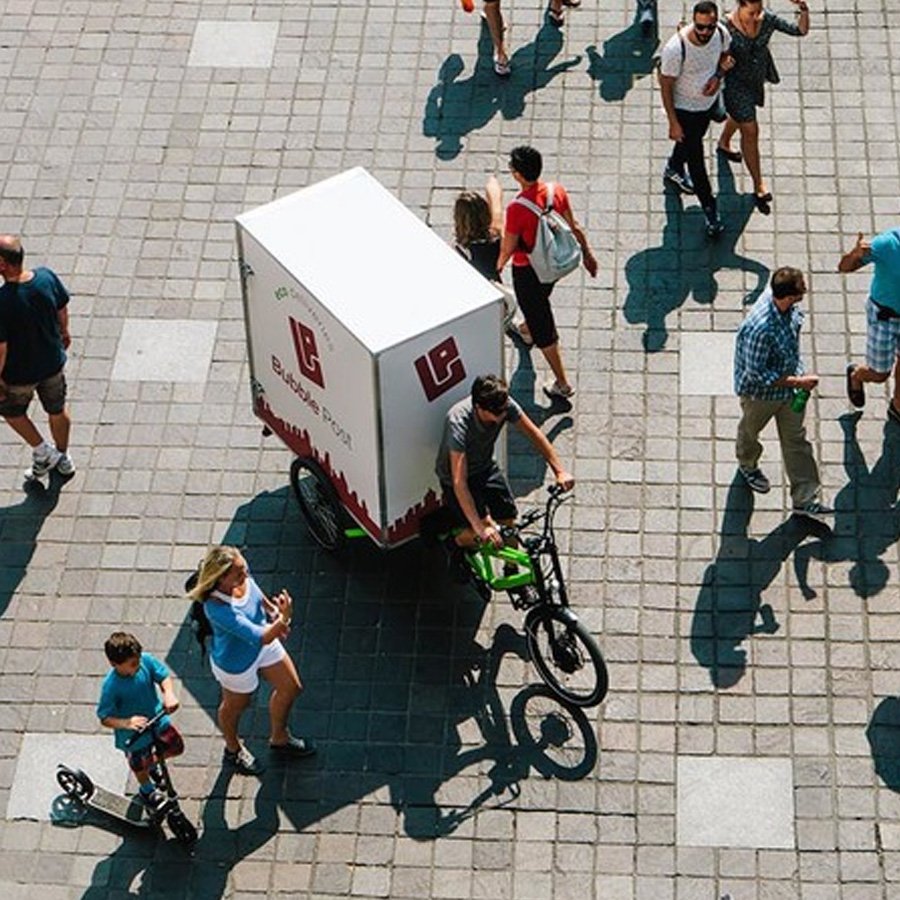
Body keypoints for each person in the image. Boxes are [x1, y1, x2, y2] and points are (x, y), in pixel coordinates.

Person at [188, 546, 315, 776]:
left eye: (244, 568)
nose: (245, 574)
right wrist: (284, 619)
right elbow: (261, 637)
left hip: (262, 643)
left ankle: (280, 738)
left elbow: (257, 596)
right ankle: (233, 749)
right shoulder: (216, 609)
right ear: (221, 578)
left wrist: (274, 612)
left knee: (291, 687)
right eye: (239, 573)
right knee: (235, 706)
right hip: (237, 663)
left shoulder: (240, 574)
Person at [497, 145, 597, 401]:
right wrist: (587, 254)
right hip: (553, 266)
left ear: (518, 175)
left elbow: (508, 248)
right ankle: (527, 328)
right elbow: (573, 227)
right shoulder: (556, 191)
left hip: (529, 272)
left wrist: (496, 267)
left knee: (544, 326)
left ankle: (562, 383)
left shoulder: (517, 209)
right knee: (537, 304)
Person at [435, 374, 574, 558]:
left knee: (508, 520)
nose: (503, 416)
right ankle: (455, 543)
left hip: (485, 467)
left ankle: (511, 570)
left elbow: (535, 435)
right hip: (458, 479)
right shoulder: (458, 422)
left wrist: (560, 471)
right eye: (497, 413)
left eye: (504, 410)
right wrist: (480, 528)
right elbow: (459, 481)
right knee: (481, 531)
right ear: (479, 407)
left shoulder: (503, 404)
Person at [733, 266, 833, 523]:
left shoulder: (781, 299)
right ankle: (748, 465)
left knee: (796, 440)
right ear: (787, 296)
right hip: (760, 396)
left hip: (790, 389)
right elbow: (758, 375)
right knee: (750, 431)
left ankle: (805, 499)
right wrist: (799, 381)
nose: (804, 293)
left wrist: (796, 382)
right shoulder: (759, 329)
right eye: (800, 292)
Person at [716, 0, 810, 214]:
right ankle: (758, 183)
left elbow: (800, 30)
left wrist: (803, 9)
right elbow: (712, 53)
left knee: (740, 117)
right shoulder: (725, 28)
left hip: (755, 80)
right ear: (740, 5)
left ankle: (723, 142)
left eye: (759, 10)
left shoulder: (767, 19)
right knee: (750, 129)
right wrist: (722, 64)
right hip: (735, 84)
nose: (756, 16)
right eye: (751, 12)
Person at [0, 235, 75, 481]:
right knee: (57, 409)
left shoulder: (2, 301)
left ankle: (43, 452)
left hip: (18, 374)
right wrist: (64, 332)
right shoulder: (46, 276)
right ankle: (62, 457)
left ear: (2, 264)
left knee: (11, 411)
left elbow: (2, 348)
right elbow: (61, 308)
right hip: (52, 362)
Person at [658, 1, 734, 237]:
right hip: (684, 110)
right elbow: (665, 85)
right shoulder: (675, 48)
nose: (704, 33)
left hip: (707, 104)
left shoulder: (721, 33)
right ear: (694, 21)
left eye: (709, 27)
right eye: (700, 27)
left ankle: (673, 167)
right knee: (697, 162)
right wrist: (673, 122)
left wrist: (719, 75)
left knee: (693, 138)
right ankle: (710, 212)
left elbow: (726, 56)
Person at [96, 632, 184, 811]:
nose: (138, 665)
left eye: (137, 660)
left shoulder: (145, 661)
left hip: (157, 721)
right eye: (132, 664)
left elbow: (163, 675)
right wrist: (126, 723)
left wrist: (169, 693)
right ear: (114, 664)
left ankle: (151, 764)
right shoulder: (111, 686)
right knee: (139, 767)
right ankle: (147, 789)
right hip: (135, 737)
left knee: (176, 747)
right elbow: (104, 717)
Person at [839, 229, 900, 424]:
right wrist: (854, 255)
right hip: (885, 317)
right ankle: (856, 374)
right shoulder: (887, 244)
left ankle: (898, 405)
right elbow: (844, 267)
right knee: (880, 374)